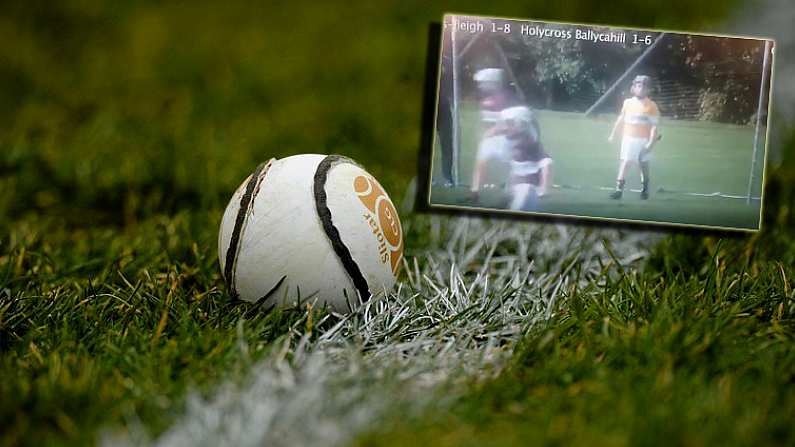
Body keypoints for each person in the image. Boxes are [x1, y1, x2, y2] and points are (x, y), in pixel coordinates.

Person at [470, 68, 523, 194]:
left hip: (505, 139)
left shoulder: (505, 98)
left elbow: (509, 124)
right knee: (480, 163)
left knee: (514, 166)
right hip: (491, 138)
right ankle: (475, 192)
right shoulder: (486, 98)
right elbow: (486, 120)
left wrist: (491, 132)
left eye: (483, 83)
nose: (481, 86)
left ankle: (512, 192)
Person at [607, 75, 660, 200]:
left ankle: (645, 189)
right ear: (634, 87)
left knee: (643, 164)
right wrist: (613, 134)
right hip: (629, 139)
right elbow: (621, 119)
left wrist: (650, 144)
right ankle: (618, 190)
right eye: (638, 86)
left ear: (648, 89)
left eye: (644, 86)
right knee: (626, 162)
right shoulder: (628, 103)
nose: (641, 88)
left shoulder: (651, 106)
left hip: (643, 140)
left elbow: (654, 127)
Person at [497, 106, 553, 211]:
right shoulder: (508, 144)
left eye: (510, 123)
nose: (505, 128)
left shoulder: (533, 146)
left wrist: (543, 188)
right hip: (516, 188)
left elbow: (546, 165)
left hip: (527, 189)